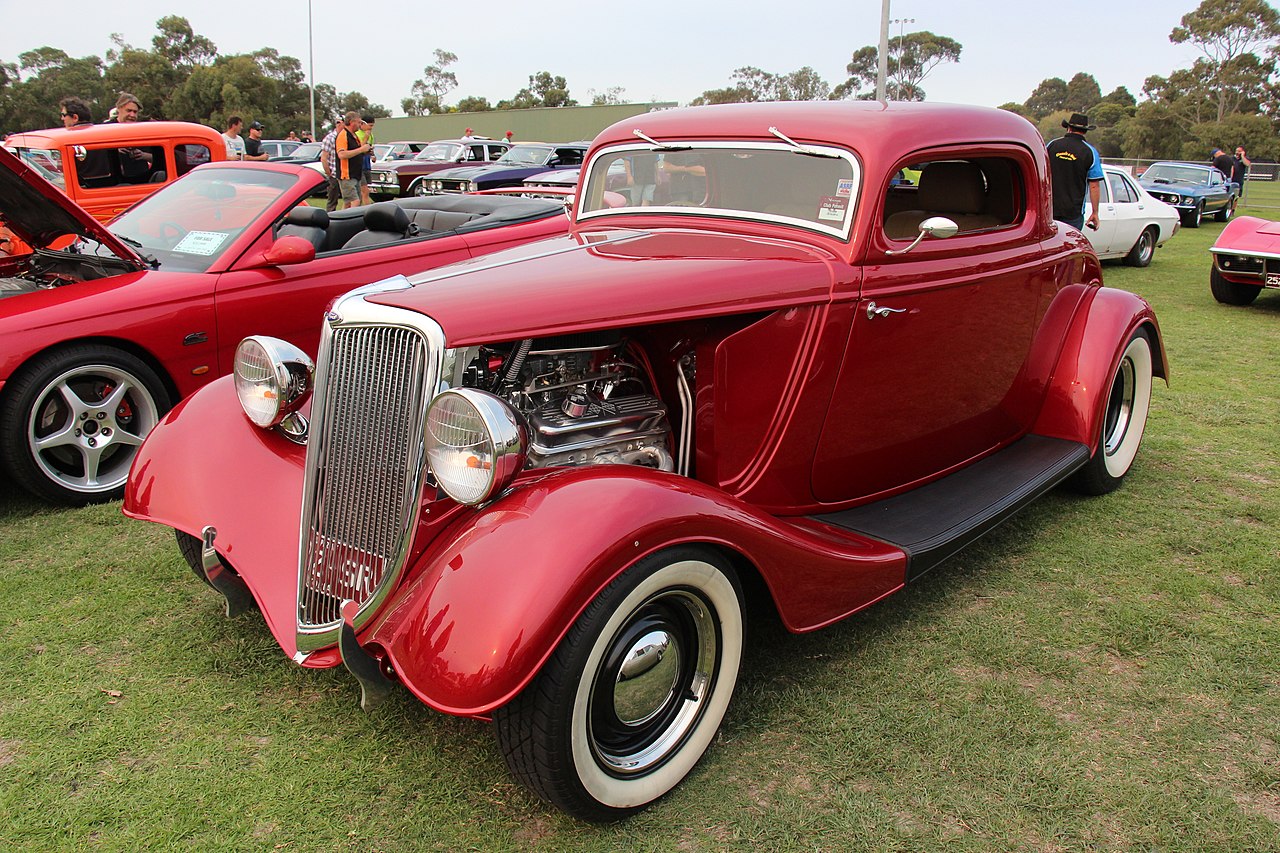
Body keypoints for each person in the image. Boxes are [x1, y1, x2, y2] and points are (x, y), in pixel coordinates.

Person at [1047, 112, 1103, 231]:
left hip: (1049, 210)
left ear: (1069, 128)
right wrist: (1095, 212)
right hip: (1073, 214)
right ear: (1085, 131)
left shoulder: (1052, 146)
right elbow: (1094, 186)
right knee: (1069, 247)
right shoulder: (1090, 152)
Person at [335, 111, 372, 210]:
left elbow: (356, 152)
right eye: (359, 122)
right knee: (354, 202)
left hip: (356, 174)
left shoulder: (354, 136)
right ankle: (350, 222)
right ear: (352, 122)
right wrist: (361, 149)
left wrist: (366, 151)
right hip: (347, 175)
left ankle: (341, 221)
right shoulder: (343, 135)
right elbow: (341, 154)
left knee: (348, 203)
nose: (360, 125)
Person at [319, 120, 342, 212]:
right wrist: (329, 172)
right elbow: (324, 157)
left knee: (349, 198)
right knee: (332, 200)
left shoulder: (344, 137)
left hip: (343, 173)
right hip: (334, 173)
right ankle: (330, 217)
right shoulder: (330, 138)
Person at [356, 115, 376, 205]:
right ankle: (366, 209)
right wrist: (366, 137)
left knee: (365, 190)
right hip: (359, 166)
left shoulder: (371, 135)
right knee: (365, 191)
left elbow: (369, 148)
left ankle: (359, 206)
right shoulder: (357, 134)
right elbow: (359, 148)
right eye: (370, 125)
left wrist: (372, 155)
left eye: (372, 126)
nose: (371, 128)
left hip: (366, 165)